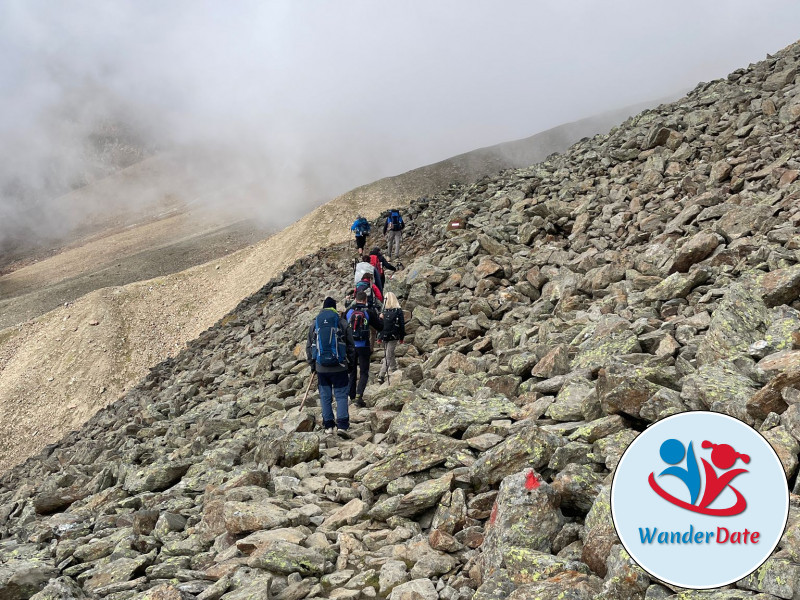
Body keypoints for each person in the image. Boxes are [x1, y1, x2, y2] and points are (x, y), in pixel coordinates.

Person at [306, 297, 355, 434]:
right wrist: (350, 364)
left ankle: (328, 426)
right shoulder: (342, 323)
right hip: (340, 366)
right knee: (340, 395)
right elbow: (351, 346)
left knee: (325, 396)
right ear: (334, 308)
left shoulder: (315, 324)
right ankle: (342, 425)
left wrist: (312, 365)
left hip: (321, 367)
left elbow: (309, 347)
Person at [346, 290, 383, 407]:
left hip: (351, 346)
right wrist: (381, 318)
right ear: (365, 300)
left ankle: (351, 396)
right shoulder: (368, 312)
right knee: (364, 372)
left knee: (351, 371)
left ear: (355, 299)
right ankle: (359, 396)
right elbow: (380, 327)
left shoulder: (349, 312)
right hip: (364, 346)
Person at [377, 292, 405, 384]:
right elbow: (401, 325)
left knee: (388, 353)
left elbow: (379, 326)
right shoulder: (398, 310)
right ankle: (381, 375)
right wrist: (402, 337)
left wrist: (379, 337)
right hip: (394, 335)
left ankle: (393, 368)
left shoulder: (383, 312)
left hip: (384, 335)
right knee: (388, 355)